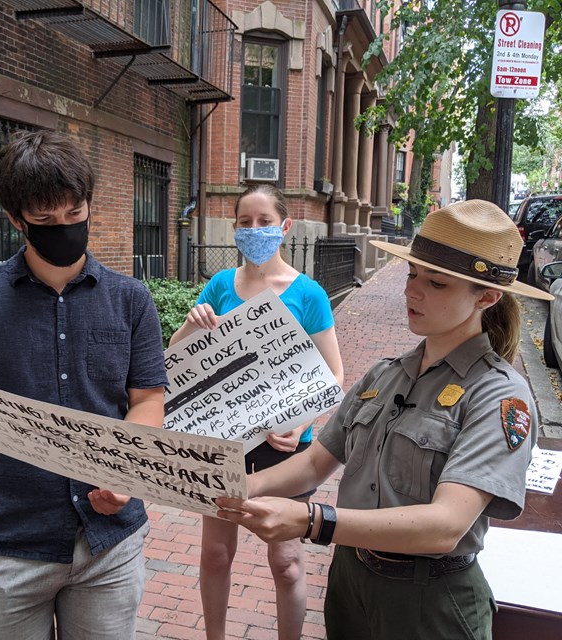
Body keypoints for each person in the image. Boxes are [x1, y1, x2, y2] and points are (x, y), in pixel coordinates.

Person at [215, 199, 554, 640]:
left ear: (486, 297)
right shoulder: (384, 373)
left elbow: (445, 526)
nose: (412, 291)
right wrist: (241, 487)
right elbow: (319, 460)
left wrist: (312, 520)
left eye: (436, 283)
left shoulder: (500, 395)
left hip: (429, 600)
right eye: (413, 275)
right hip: (351, 579)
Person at [0, 130, 168, 639]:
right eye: (45, 220)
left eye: (75, 213)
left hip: (110, 543)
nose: (65, 227)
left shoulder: (131, 299)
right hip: (9, 540)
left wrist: (125, 471)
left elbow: (147, 400)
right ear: (16, 220)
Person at [169, 184, 344, 640]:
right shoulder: (219, 286)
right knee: (216, 554)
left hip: (283, 447)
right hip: (223, 441)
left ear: (284, 227)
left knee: (286, 563)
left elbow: (334, 375)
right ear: (234, 229)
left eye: (264, 221)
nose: (254, 230)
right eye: (245, 222)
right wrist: (190, 325)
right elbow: (177, 359)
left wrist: (302, 424)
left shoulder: (309, 294)